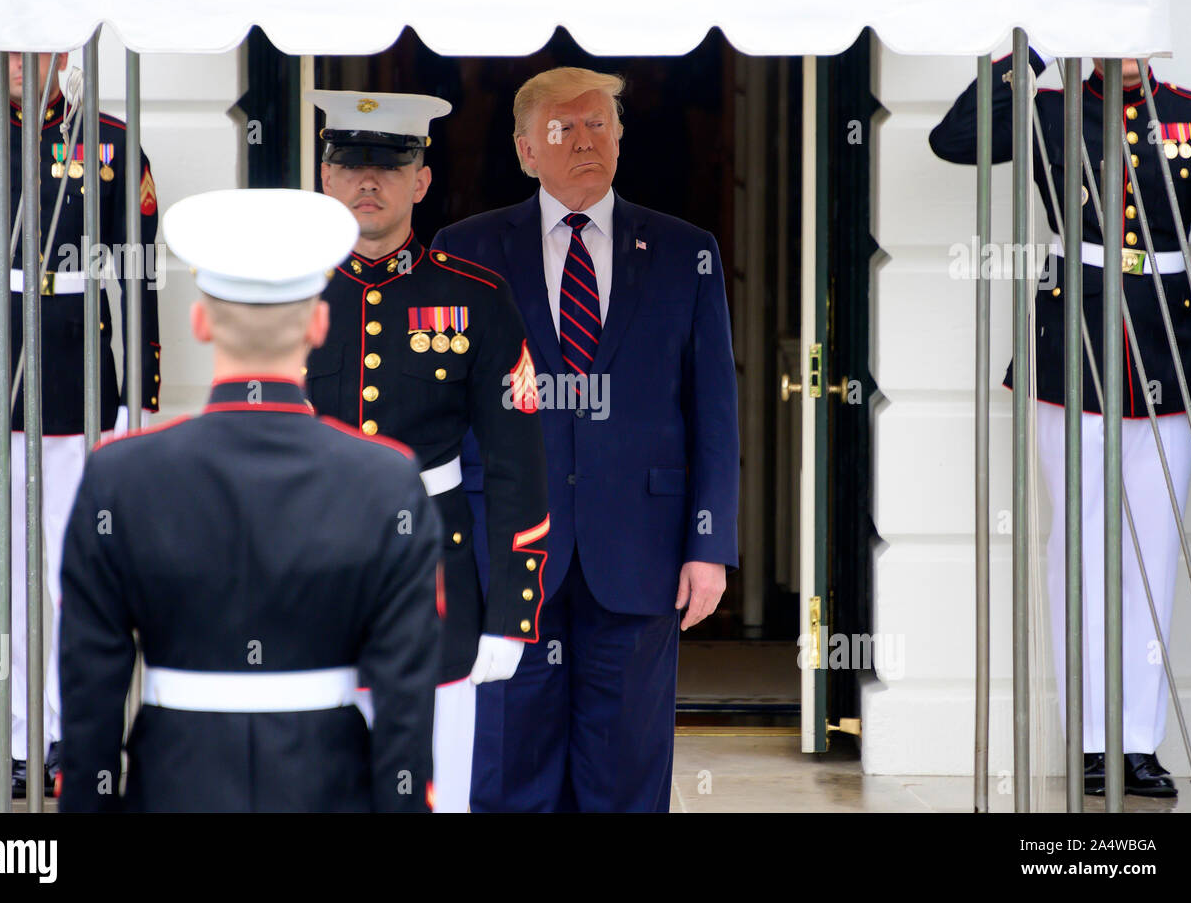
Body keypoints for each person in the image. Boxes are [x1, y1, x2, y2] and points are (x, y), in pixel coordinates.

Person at [58, 188, 440, 812]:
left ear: (201, 322)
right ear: (319, 325)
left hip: (176, 786)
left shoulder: (119, 477)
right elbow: (406, 698)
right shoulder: (386, 480)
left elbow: (89, 689)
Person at [432, 67, 740, 812]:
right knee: (509, 767)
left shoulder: (686, 252)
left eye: (599, 124)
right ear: (525, 150)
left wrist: (709, 546)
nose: (584, 142)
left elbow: (714, 411)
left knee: (626, 771)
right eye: (562, 128)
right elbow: (441, 412)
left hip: (639, 550)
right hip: (508, 552)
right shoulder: (464, 250)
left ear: (620, 139)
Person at [930, 52, 1191, 797]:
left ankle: (1138, 744)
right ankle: (1088, 740)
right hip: (1072, 352)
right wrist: (1030, 53)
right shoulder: (1050, 109)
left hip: (1166, 349)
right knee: (1077, 550)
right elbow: (954, 139)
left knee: (1153, 555)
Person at [0, 49, 161, 797]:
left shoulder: (110, 141)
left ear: (63, 52)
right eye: (7, 48)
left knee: (71, 571)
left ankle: (68, 737)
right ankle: (20, 740)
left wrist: (139, 396)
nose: (22, 62)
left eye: (36, 46)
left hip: (78, 374)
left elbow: (141, 273)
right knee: (1, 578)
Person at [304, 90, 549, 812]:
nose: (368, 180)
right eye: (350, 163)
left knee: (436, 787)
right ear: (325, 175)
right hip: (311, 572)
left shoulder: (476, 296)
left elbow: (516, 462)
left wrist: (512, 611)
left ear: (422, 180)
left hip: (435, 577)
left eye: (389, 164)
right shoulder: (288, 293)